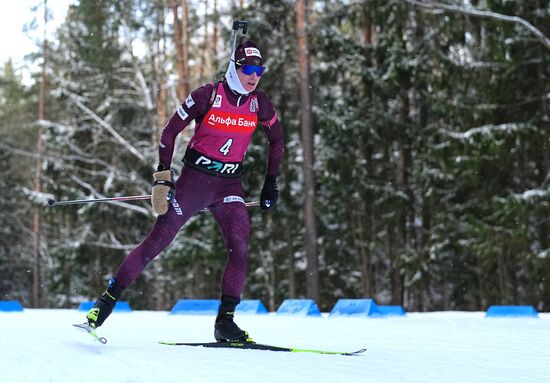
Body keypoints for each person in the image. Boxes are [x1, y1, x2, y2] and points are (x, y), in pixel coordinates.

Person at [84, 40, 284, 342]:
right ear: (234, 68)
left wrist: (271, 182)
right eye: (248, 70)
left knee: (240, 245)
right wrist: (163, 177)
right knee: (157, 242)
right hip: (195, 181)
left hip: (230, 185)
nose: (254, 77)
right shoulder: (208, 95)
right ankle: (104, 304)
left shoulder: (259, 103)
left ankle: (225, 323)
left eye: (259, 71)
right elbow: (169, 131)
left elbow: (277, 141)